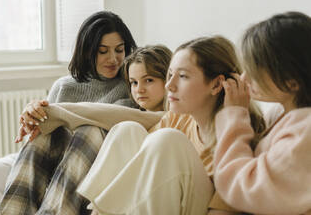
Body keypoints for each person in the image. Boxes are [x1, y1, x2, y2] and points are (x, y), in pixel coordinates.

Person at [30, 36, 265, 215]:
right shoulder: (178, 118)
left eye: (182, 76)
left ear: (217, 85)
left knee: (167, 139)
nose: (170, 86)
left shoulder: (240, 129)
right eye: (170, 75)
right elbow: (139, 158)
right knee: (128, 129)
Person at [0, 11, 137, 215]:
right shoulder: (64, 86)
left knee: (89, 129)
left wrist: (62, 114)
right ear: (87, 51)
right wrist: (34, 115)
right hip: (49, 158)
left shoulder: (130, 84)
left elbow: (118, 122)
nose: (113, 59)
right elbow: (42, 136)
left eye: (119, 50)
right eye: (103, 51)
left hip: (88, 163)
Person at [0, 45, 172, 214]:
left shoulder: (169, 117)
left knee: (90, 131)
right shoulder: (132, 109)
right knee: (47, 135)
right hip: (87, 172)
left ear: (168, 80)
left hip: (110, 187)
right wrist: (40, 114)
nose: (139, 89)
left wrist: (53, 111)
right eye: (133, 82)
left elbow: (104, 114)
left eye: (149, 80)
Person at [213, 11, 311, 215]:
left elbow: (245, 188)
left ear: (292, 80)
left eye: (255, 70)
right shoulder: (283, 113)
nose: (244, 77)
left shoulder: (305, 131)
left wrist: (234, 115)